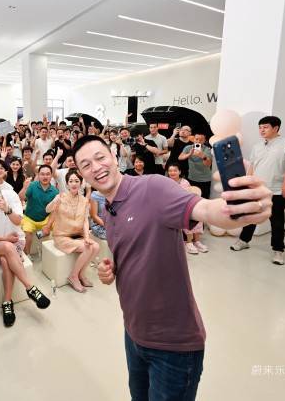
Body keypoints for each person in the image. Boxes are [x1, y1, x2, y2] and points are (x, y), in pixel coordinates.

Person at [72, 135, 272, 401]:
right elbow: (132, 251)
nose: (96, 167)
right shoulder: (109, 208)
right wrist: (111, 270)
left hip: (173, 346)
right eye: (86, 165)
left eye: (100, 158)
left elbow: (205, 210)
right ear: (82, 175)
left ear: (114, 156)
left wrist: (241, 209)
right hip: (134, 333)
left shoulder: (152, 188)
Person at [0, 170, 50, 327]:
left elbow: (19, 221)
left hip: (15, 240)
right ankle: (30, 287)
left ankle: (7, 302)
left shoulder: (10, 195)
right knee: (7, 247)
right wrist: (4, 239)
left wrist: (6, 209)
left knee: (5, 261)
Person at [229, 117, 285, 265]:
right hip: (256, 190)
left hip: (276, 192)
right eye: (260, 127)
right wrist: (246, 183)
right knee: (250, 217)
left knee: (277, 222)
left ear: (276, 128)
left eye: (265, 127)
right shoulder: (257, 146)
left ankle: (278, 250)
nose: (262, 130)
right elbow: (252, 167)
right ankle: (244, 240)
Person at [47, 169, 99, 293]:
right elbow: (47, 210)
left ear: (81, 183)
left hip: (77, 235)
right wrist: (54, 202)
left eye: (76, 181)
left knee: (96, 247)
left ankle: (81, 274)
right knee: (88, 248)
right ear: (67, 184)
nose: (74, 183)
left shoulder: (84, 200)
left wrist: (87, 237)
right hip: (62, 236)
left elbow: (85, 221)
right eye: (71, 181)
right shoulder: (60, 197)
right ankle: (73, 276)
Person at [166, 163, 208, 255]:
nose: (172, 172)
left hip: (185, 204)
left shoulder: (185, 182)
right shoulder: (166, 182)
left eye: (175, 170)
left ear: (179, 171)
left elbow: (189, 195)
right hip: (173, 207)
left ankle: (197, 241)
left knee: (197, 215)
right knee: (187, 216)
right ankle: (189, 242)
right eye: (170, 171)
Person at [20, 165, 59, 255]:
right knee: (27, 232)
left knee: (58, 227)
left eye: (47, 174)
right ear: (38, 175)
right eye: (42, 174)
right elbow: (21, 198)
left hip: (45, 219)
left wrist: (48, 226)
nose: (45, 177)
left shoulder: (55, 191)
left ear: (51, 175)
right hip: (29, 218)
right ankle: (27, 255)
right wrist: (24, 188)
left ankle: (50, 253)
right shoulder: (32, 185)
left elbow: (54, 212)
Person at [178, 133, 213, 198]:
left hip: (205, 179)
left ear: (204, 141)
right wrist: (189, 154)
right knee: (192, 197)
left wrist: (203, 156)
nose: (198, 141)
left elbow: (208, 164)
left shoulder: (207, 149)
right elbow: (180, 157)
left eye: (201, 140)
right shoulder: (188, 148)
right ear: (193, 139)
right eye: (197, 139)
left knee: (204, 198)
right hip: (192, 177)